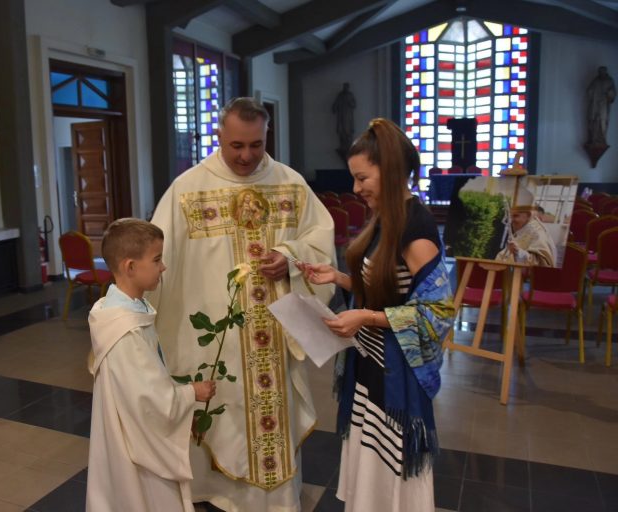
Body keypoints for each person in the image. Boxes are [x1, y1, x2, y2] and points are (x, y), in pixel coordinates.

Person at [148, 97, 336, 511]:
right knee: (221, 411)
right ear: (219, 136)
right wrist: (130, 315)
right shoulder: (188, 190)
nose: (247, 155)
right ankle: (218, 493)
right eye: (236, 145)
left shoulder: (290, 184)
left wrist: (290, 258)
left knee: (274, 418)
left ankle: (277, 501)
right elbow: (157, 261)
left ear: (267, 135)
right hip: (216, 340)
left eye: (256, 144)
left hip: (274, 335)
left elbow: (321, 242)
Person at [299, 118, 454, 511]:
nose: (355, 188)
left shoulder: (415, 229)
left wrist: (365, 318)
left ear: (391, 170)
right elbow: (386, 290)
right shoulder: (387, 218)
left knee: (390, 476)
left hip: (395, 376)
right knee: (372, 475)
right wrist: (338, 277)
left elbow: (437, 313)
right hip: (372, 366)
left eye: (362, 178)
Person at [86, 218, 217, 512]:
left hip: (131, 428)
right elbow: (146, 401)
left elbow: (146, 382)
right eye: (157, 260)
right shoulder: (125, 330)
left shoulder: (126, 309)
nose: (163, 267)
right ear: (131, 267)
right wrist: (191, 393)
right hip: (134, 444)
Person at [586, 66, 616, 145]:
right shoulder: (596, 81)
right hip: (595, 105)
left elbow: (613, 93)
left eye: (602, 72)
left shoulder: (609, 81)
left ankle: (601, 139)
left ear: (605, 72)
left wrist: (610, 93)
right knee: (593, 120)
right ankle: (593, 139)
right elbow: (589, 91)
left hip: (604, 105)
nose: (601, 73)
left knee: (602, 121)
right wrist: (590, 92)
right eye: (600, 72)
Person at [332, 82, 356, 159]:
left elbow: (354, 105)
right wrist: (334, 108)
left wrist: (349, 102)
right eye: (344, 86)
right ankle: (343, 146)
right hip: (341, 116)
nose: (345, 88)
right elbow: (336, 104)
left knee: (348, 131)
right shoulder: (340, 95)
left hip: (348, 117)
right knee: (341, 131)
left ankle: (349, 146)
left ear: (348, 88)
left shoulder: (350, 95)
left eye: (346, 87)